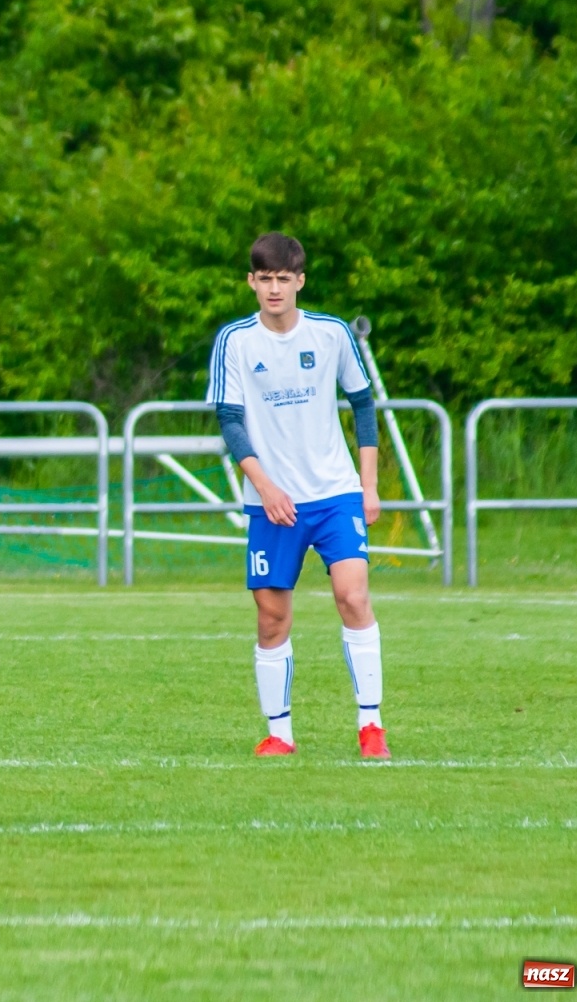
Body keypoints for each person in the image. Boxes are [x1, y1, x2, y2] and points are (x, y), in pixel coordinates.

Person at [206, 232, 389, 759]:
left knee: (353, 595)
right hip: (271, 502)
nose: (274, 289)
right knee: (271, 617)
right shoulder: (235, 342)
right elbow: (230, 420)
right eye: (264, 279)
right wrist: (266, 488)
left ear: (300, 281)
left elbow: (363, 404)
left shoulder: (331, 334)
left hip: (335, 492)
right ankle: (280, 734)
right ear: (251, 282)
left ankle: (371, 726)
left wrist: (368, 485)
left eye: (283, 279)